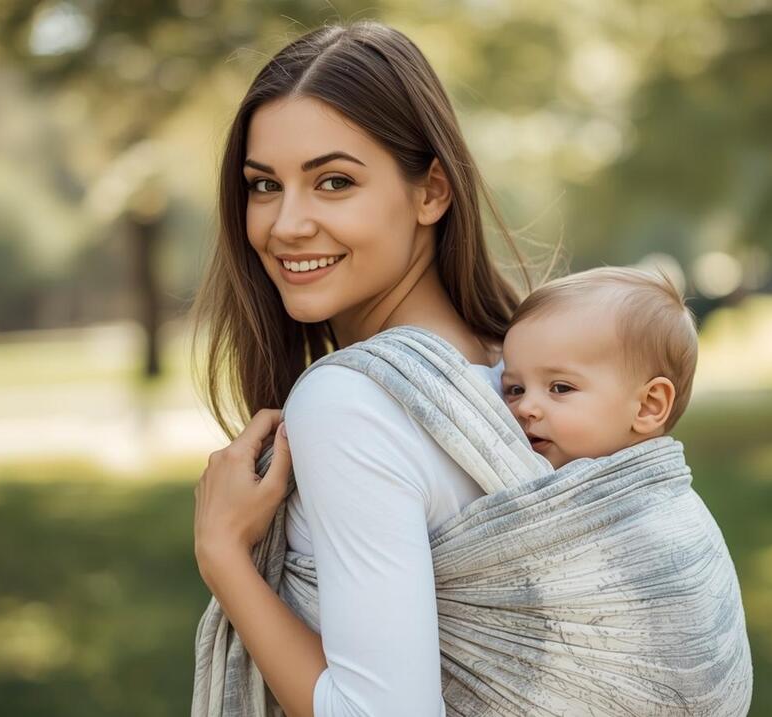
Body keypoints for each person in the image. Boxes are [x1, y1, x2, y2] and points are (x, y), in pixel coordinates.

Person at [188, 19, 549, 717]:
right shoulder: (526, 373)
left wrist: (224, 555)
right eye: (264, 186)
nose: (286, 223)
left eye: (333, 181)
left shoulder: (350, 402)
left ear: (432, 191)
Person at [500, 265, 699, 470]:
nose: (524, 408)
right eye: (516, 390)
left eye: (560, 387)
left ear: (647, 406)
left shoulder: (650, 500)